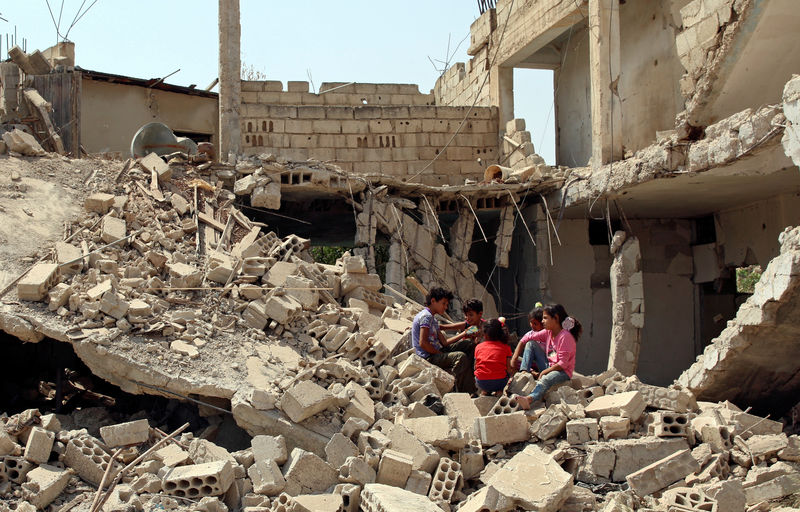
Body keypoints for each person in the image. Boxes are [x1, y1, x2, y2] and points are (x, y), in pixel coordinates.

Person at [515, 304, 581, 410]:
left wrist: (544, 372)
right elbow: (528, 336)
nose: (542, 321)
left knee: (546, 379)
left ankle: (529, 399)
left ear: (556, 318)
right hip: (549, 365)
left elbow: (562, 364)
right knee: (531, 343)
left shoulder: (565, 337)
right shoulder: (548, 332)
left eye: (545, 318)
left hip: (562, 371)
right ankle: (524, 372)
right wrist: (515, 356)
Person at [411, 287, 472, 392]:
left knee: (468, 344)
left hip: (437, 352)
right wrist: (438, 353)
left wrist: (464, 334)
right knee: (460, 357)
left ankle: (469, 379)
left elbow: (444, 342)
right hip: (428, 357)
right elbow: (423, 343)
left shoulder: (433, 318)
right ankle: (460, 389)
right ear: (433, 301)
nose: (445, 307)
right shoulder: (426, 317)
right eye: (444, 303)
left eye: (447, 305)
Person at [474, 318, 514, 396]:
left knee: (480, 374)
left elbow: (476, 367)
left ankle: (485, 391)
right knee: (506, 375)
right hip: (500, 382)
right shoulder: (506, 347)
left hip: (481, 382)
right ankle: (499, 391)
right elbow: (508, 369)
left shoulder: (478, 347)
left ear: (485, 334)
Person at [510, 304, 545, 372]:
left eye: (535, 324)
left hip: (548, 365)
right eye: (531, 323)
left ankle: (528, 371)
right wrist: (514, 358)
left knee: (530, 343)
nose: (532, 326)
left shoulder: (549, 332)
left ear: (543, 324)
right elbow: (521, 343)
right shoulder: (531, 334)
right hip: (537, 365)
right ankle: (525, 371)